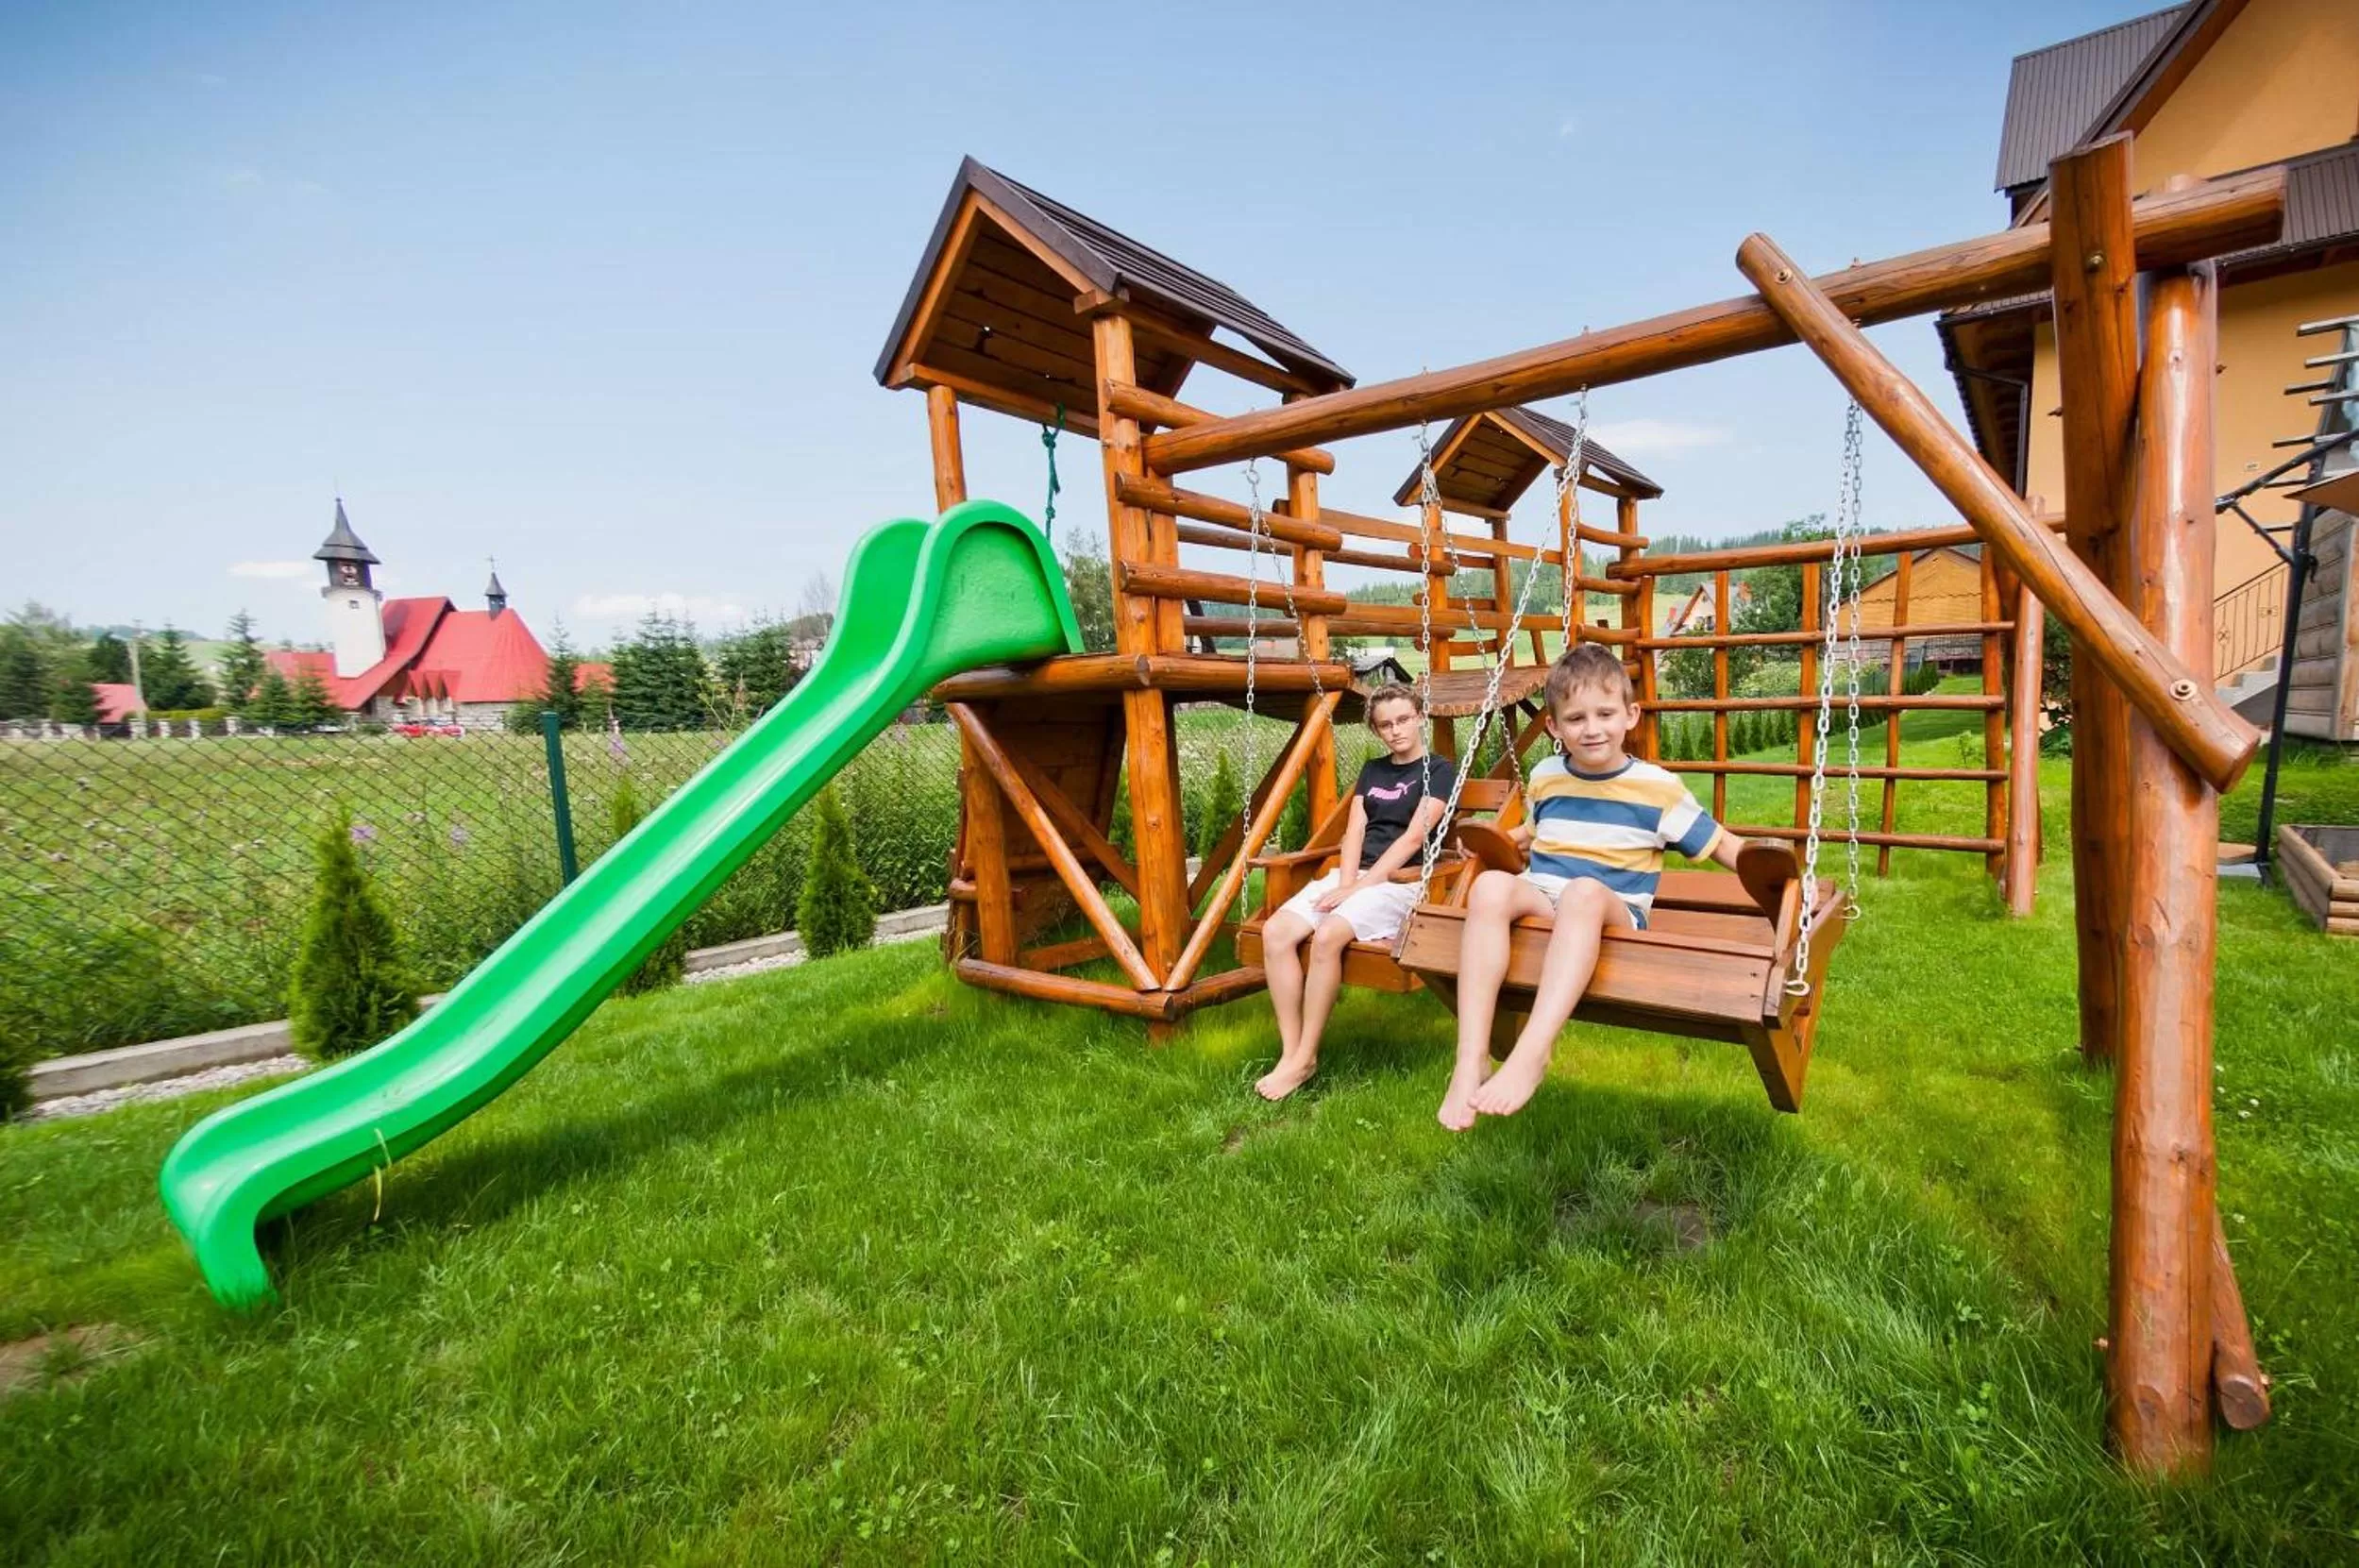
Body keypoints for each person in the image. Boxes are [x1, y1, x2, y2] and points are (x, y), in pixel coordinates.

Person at [1439, 643, 1753, 1130]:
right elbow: (1539, 831)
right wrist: (1498, 840)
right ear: (1554, 727)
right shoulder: (1545, 776)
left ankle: (1532, 1053)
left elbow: (1722, 846)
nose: (1592, 729)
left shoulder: (1657, 788)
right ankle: (1471, 1058)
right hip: (1547, 895)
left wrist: (1783, 876)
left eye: (1605, 713)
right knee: (1491, 889)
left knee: (1583, 891)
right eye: (1576, 717)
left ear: (1631, 715)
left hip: (1612, 907)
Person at [1255, 683, 1455, 1101]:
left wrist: (1360, 887)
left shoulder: (1439, 771)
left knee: (1328, 936)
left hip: (1402, 881)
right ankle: (1292, 1053)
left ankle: (1307, 1055)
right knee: (1275, 933)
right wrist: (1346, 884)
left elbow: (1413, 838)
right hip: (1354, 877)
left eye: (1402, 720)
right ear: (1376, 731)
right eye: (1385, 725)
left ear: (1419, 716)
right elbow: (1355, 830)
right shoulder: (1373, 771)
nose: (1395, 731)